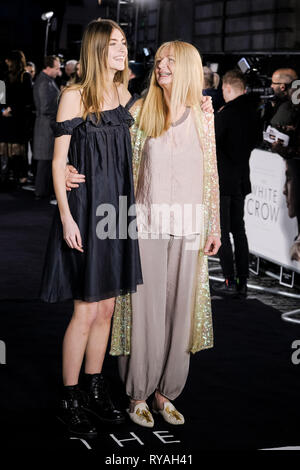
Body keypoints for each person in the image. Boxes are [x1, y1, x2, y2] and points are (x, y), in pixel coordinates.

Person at [66, 40, 218, 427]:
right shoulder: (138, 110)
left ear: (186, 67)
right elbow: (97, 143)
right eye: (160, 59)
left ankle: (167, 392)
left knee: (179, 312)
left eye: (169, 59)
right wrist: (67, 167)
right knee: (145, 312)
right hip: (146, 225)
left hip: (189, 228)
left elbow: (211, 174)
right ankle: (138, 393)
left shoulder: (204, 115)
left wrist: (214, 224)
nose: (161, 64)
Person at [39, 19, 143, 438]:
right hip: (84, 209)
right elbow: (57, 160)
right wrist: (65, 216)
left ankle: (95, 389)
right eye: (114, 44)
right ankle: (69, 398)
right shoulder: (73, 96)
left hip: (118, 209)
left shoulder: (123, 94)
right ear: (98, 50)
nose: (122, 50)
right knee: (85, 308)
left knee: (108, 307)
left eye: (124, 43)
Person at [213, 70, 260, 298]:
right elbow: (258, 140)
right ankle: (242, 281)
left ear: (228, 88)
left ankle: (230, 280)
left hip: (224, 181)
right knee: (239, 230)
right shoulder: (253, 113)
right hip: (242, 179)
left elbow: (213, 141)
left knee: (222, 233)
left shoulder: (226, 113)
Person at [0, 50, 33, 186]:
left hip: (18, 119)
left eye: (9, 60)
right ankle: (6, 176)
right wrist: (2, 110)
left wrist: (11, 109)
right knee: (5, 149)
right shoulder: (4, 76)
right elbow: (0, 97)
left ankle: (20, 175)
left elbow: (26, 98)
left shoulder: (25, 76)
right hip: (5, 118)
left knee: (18, 149)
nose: (6, 62)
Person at [33, 55, 62, 199]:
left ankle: (44, 191)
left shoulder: (48, 81)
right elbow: (45, 107)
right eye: (57, 68)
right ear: (48, 68)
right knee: (44, 162)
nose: (59, 71)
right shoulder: (44, 83)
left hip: (47, 126)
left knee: (47, 160)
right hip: (46, 127)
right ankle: (41, 191)